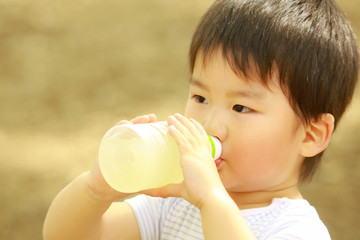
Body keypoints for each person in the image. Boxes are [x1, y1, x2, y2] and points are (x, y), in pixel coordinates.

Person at [43, 0, 359, 239]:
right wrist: (98, 189)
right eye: (201, 98)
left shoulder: (296, 230)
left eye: (240, 108)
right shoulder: (173, 206)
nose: (209, 125)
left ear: (310, 135)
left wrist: (211, 199)